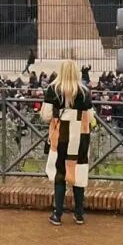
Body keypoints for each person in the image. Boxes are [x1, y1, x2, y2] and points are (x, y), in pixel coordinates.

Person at [40, 58, 94, 226]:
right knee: (79, 172)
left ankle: (57, 214)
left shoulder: (53, 89)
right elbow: (91, 117)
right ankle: (79, 213)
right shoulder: (84, 91)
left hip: (60, 135)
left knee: (60, 173)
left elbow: (46, 115)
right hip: (80, 137)